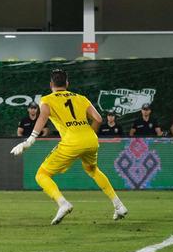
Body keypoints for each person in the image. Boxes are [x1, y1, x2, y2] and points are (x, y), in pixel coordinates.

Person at [10, 69, 128, 225]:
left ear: (51, 84)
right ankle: (118, 205)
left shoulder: (47, 99)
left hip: (72, 142)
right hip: (91, 139)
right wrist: (87, 136)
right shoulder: (81, 98)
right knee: (92, 170)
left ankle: (63, 203)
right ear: (67, 84)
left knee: (41, 175)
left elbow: (43, 116)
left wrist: (30, 140)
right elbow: (98, 119)